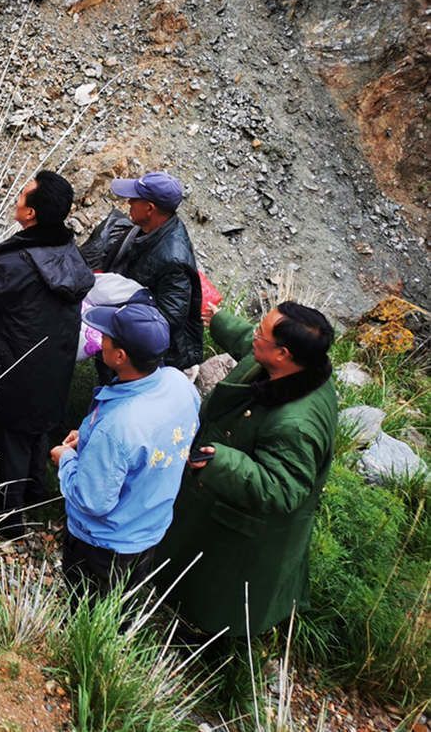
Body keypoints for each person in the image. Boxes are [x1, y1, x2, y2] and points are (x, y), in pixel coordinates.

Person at [155, 300, 337, 639]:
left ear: (282, 354)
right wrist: (216, 317)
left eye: (261, 332)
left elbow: (283, 489)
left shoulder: (296, 425)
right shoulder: (300, 366)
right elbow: (249, 344)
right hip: (219, 498)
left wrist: (223, 461)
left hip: (244, 529)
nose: (255, 334)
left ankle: (202, 643)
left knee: (215, 591)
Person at [0, 171, 95, 524]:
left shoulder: (19, 263)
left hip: (16, 367)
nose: (17, 198)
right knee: (34, 433)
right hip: (51, 363)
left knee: (11, 440)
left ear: (32, 215)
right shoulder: (65, 250)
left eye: (23, 195)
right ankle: (34, 497)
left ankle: (8, 519)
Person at [51, 300, 199, 597]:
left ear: (119, 356)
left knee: (87, 611)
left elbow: (93, 500)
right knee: (125, 602)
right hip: (149, 528)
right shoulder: (178, 383)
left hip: (103, 545)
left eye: (106, 336)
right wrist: (92, 443)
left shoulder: (118, 427)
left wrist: (65, 459)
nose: (100, 339)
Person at [96, 171, 204, 371]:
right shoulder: (152, 229)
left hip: (153, 357)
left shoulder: (173, 260)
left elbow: (169, 319)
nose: (128, 202)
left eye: (134, 199)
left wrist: (119, 319)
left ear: (149, 209)